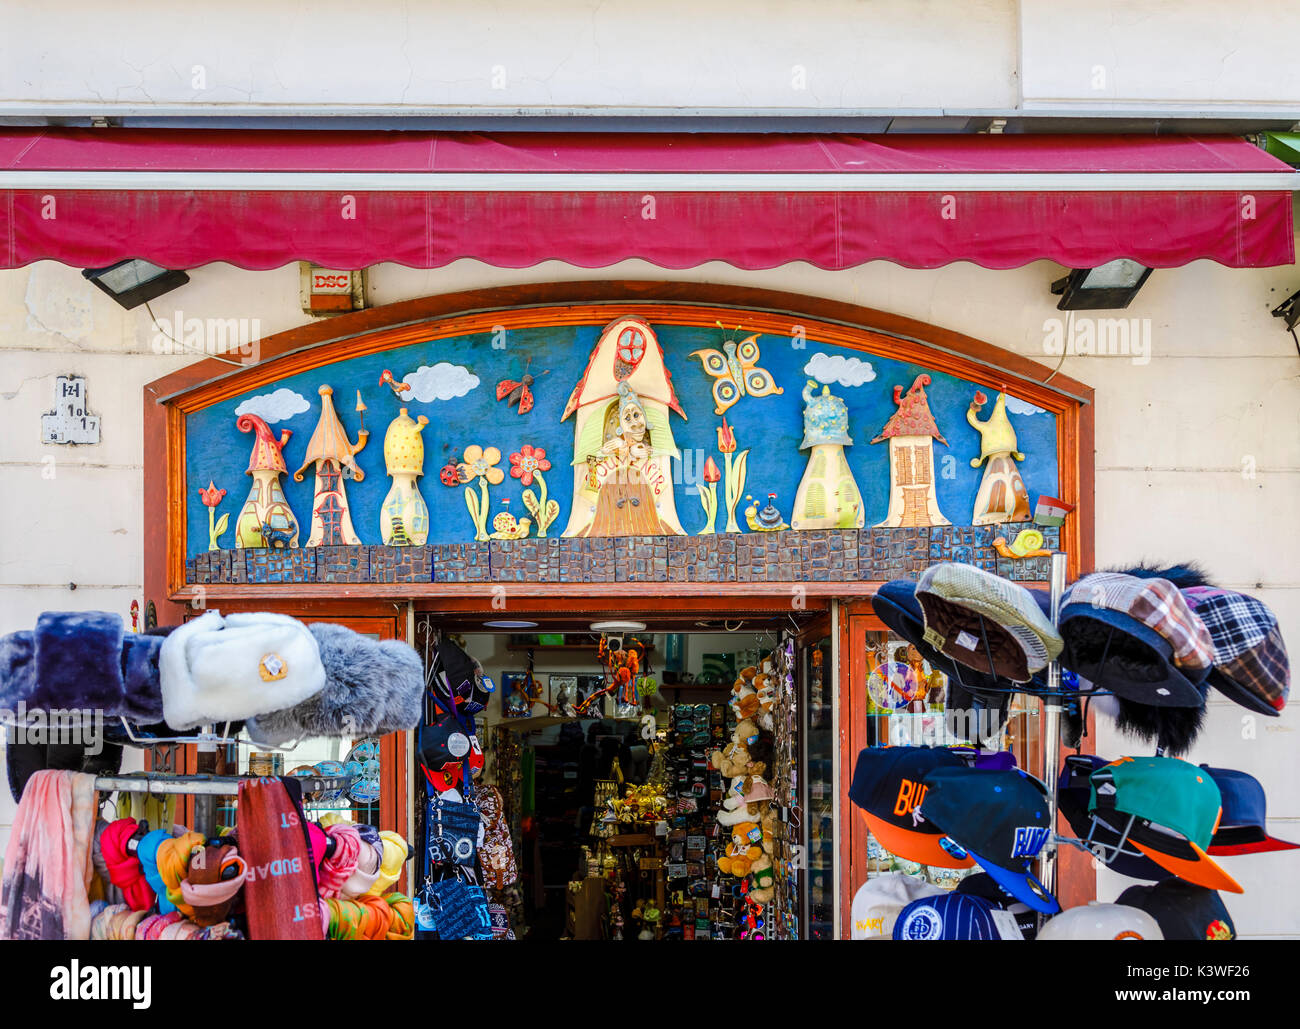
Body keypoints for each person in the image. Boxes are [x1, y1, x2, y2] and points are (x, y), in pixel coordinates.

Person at [580, 382, 676, 536]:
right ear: (620, 426)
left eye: (637, 415)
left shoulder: (651, 448)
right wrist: (611, 451)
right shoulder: (612, 446)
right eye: (628, 418)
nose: (635, 424)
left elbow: (661, 456)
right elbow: (592, 472)